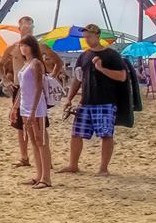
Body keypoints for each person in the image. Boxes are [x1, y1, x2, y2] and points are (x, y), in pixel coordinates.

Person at [59, 25, 128, 176]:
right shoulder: (84, 56)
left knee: (106, 134)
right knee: (76, 133)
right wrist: (69, 98)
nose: (87, 40)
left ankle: (103, 168)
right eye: (85, 37)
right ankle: (73, 165)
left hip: (106, 101)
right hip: (86, 101)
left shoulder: (111, 55)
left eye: (89, 36)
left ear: (97, 35)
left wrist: (102, 69)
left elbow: (122, 76)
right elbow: (77, 79)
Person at [11, 38, 54, 187]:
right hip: (25, 106)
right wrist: (15, 107)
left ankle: (46, 178)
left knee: (40, 141)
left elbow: (38, 88)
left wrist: (33, 110)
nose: (23, 48)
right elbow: (22, 89)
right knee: (34, 142)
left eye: (26, 46)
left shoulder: (36, 63)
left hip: (36, 107)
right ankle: (39, 174)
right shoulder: (26, 64)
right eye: (21, 46)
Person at [0, 16, 40, 167]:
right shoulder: (14, 48)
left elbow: (56, 62)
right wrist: (5, 79)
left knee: (39, 124)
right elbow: (0, 64)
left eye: (30, 27)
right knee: (19, 125)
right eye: (25, 27)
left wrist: (55, 75)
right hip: (18, 87)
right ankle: (24, 157)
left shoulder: (39, 47)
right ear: (20, 29)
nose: (28, 29)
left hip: (34, 88)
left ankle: (43, 159)